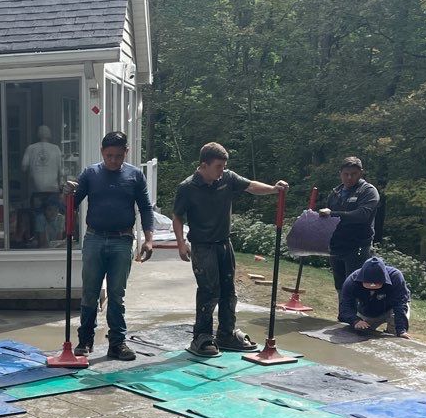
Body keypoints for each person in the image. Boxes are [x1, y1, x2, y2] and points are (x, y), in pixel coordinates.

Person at [171, 142, 288, 358]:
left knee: (229, 291)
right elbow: (177, 217)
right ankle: (202, 336)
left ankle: (226, 333)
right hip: (202, 246)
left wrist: (273, 189)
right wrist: (180, 243)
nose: (222, 171)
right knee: (209, 291)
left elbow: (251, 186)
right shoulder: (187, 187)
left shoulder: (228, 178)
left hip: (225, 244)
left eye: (224, 166)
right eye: (218, 166)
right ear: (203, 165)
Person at [72, 132, 154, 361]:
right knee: (90, 292)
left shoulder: (135, 175)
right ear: (102, 152)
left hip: (122, 240)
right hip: (94, 238)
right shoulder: (91, 173)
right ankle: (85, 340)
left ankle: (117, 343)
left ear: (126, 152)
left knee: (117, 294)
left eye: (118, 156)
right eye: (109, 156)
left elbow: (146, 208)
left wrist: (149, 239)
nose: (113, 160)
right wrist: (67, 194)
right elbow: (70, 205)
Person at [315, 156, 380, 291]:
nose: (349, 177)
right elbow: (327, 221)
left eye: (353, 174)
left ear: (361, 173)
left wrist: (332, 213)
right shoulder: (335, 193)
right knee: (340, 286)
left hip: (357, 247)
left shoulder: (368, 191)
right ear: (340, 174)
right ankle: (343, 311)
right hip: (336, 247)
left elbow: (362, 215)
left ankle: (354, 312)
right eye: (346, 174)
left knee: (354, 286)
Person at [337, 256, 411, 337]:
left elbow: (400, 304)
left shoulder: (395, 277)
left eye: (376, 283)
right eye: (369, 283)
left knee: (396, 334)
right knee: (358, 332)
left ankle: (392, 333)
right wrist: (355, 321)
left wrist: (401, 330)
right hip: (367, 310)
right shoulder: (351, 281)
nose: (372, 285)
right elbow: (345, 306)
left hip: (391, 308)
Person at [21, 125, 65, 247]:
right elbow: (61, 171)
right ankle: (51, 243)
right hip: (53, 189)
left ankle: (37, 239)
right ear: (49, 134)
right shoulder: (56, 149)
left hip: (37, 191)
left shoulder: (31, 148)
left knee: (38, 216)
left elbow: (24, 166)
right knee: (54, 215)